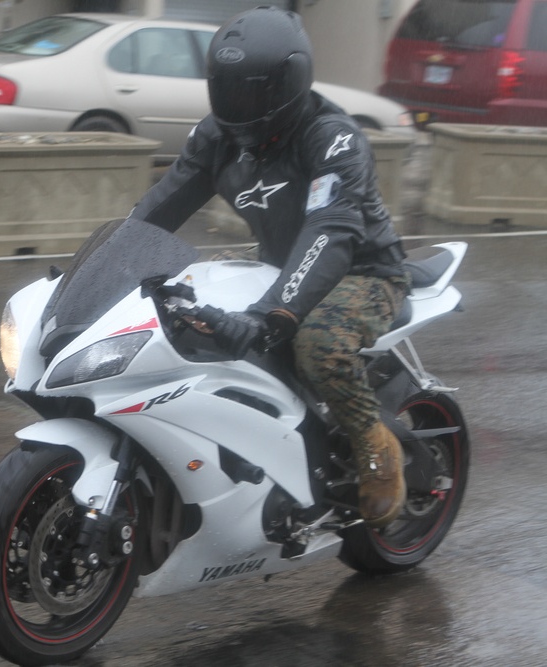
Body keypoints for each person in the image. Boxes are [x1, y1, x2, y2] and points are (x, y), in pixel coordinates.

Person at [130, 7, 410, 528]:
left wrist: (271, 313)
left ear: (290, 84)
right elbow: (157, 210)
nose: (240, 106)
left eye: (253, 91)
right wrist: (108, 263)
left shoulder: (332, 137)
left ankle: (376, 445)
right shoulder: (218, 137)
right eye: (229, 90)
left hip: (365, 273)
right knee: (191, 320)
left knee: (317, 346)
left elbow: (330, 230)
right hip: (282, 269)